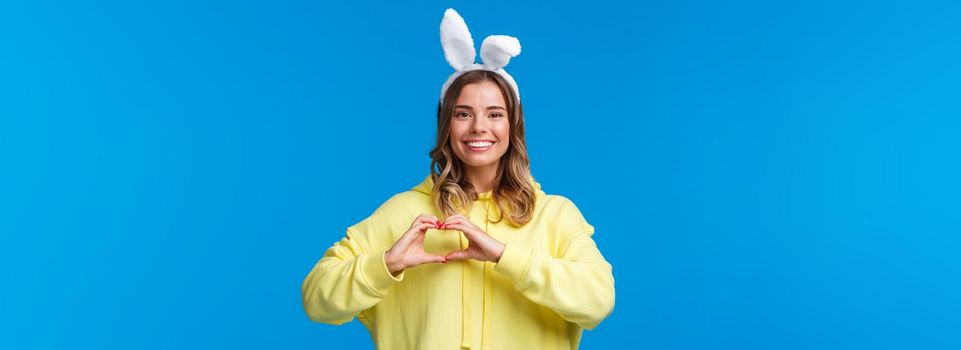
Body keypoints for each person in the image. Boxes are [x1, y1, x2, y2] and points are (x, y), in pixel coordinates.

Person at [301, 8, 615, 350]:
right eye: (463, 114)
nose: (479, 127)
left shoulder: (554, 215)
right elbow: (316, 299)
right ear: (445, 126)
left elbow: (598, 301)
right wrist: (387, 263)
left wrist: (504, 257)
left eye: (495, 114)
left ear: (513, 126)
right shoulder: (402, 213)